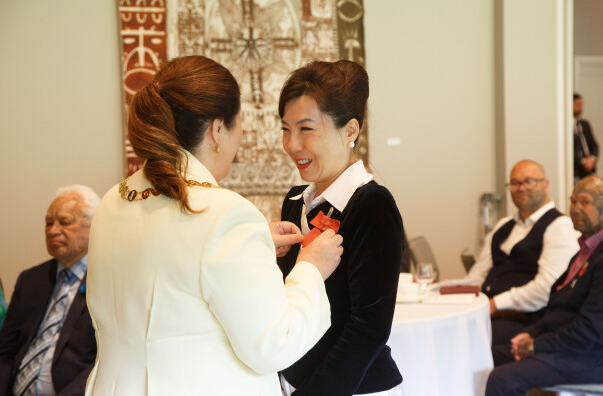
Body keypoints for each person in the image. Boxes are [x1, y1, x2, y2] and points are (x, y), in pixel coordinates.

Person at [86, 56, 344, 395]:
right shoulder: (225, 214)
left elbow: (168, 269)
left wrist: (254, 246)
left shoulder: (112, 201)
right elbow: (274, 344)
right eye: (239, 123)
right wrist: (310, 269)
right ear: (217, 129)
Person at [277, 60, 405, 395]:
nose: (292, 145)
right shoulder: (295, 201)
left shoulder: (372, 205)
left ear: (350, 131)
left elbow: (368, 330)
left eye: (306, 129)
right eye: (286, 129)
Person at [486, 175, 603, 395]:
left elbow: (591, 332)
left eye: (585, 202)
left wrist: (537, 345)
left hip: (591, 361)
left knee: (501, 380)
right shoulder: (590, 247)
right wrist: (531, 334)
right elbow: (560, 307)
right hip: (568, 348)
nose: (575, 209)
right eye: (572, 201)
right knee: (483, 359)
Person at [0, 185, 100, 396]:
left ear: (93, 227)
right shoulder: (31, 279)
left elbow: (105, 360)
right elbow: (5, 351)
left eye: (65, 222)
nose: (52, 230)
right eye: (48, 223)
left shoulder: (107, 282)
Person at [466, 160, 580, 344]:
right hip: (486, 312)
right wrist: (439, 292)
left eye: (529, 181)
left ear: (546, 184)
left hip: (526, 321)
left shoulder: (560, 227)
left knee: (468, 339)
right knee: (450, 328)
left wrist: (495, 304)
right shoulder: (503, 225)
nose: (521, 188)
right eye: (515, 183)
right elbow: (476, 276)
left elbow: (546, 289)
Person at [573, 93, 599, 181]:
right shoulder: (565, 128)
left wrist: (592, 159)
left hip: (589, 169)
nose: (580, 107)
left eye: (581, 104)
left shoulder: (584, 124)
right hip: (575, 170)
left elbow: (594, 145)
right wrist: (583, 161)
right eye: (577, 104)